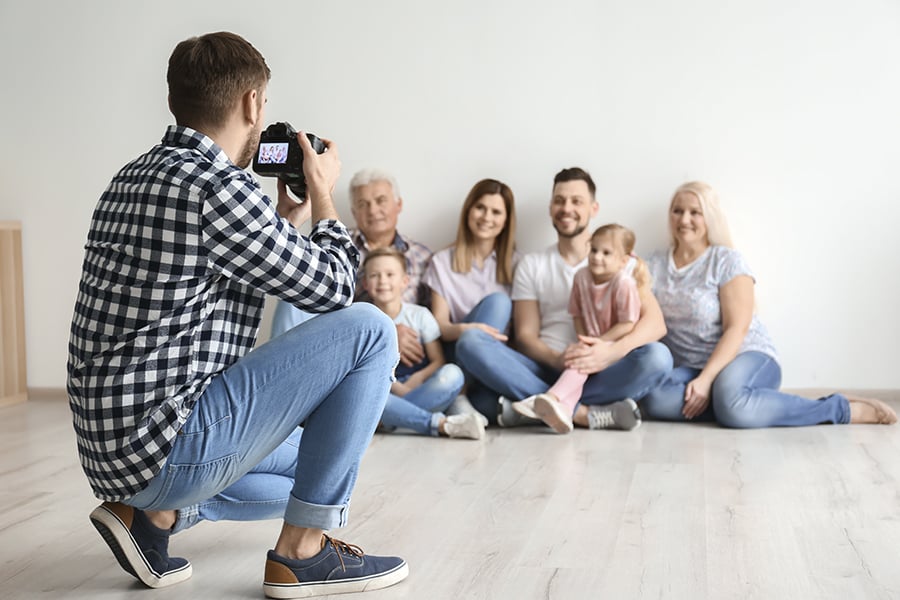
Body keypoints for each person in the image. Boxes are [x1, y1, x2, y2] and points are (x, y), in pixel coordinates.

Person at [66, 32, 408, 598]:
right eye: (264, 104)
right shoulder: (219, 186)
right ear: (252, 102)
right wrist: (324, 193)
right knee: (371, 330)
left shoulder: (130, 176)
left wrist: (285, 220)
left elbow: (210, 275)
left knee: (315, 461)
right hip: (169, 441)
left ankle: (155, 519)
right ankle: (303, 553)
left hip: (110, 454)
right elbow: (335, 289)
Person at [640, 181, 897, 427]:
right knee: (655, 400)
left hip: (746, 356)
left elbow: (737, 329)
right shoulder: (652, 264)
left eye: (695, 212)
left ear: (710, 217)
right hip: (690, 368)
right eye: (678, 211)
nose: (684, 219)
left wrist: (707, 380)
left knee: (730, 401)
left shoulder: (726, 260)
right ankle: (742, 405)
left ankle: (840, 409)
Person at [454, 167, 672, 430]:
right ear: (550, 208)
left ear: (593, 208)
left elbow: (656, 324)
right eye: (559, 200)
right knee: (470, 342)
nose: (566, 208)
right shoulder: (532, 265)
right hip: (545, 367)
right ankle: (582, 413)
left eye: (576, 201)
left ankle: (537, 406)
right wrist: (558, 360)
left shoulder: (620, 259)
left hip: (604, 369)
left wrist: (609, 352)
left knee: (658, 357)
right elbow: (525, 337)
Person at [271, 169, 433, 367]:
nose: (372, 211)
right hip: (342, 346)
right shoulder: (333, 242)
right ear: (354, 212)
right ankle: (278, 372)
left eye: (381, 200)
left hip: (404, 361)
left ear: (398, 205)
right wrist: (385, 333)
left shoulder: (422, 256)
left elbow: (434, 319)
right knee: (296, 288)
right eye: (362, 204)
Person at [515, 224, 648, 433]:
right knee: (581, 358)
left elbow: (627, 324)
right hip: (591, 340)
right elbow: (576, 314)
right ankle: (567, 411)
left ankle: (549, 398)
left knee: (582, 361)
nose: (597, 257)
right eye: (594, 250)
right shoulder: (581, 277)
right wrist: (584, 340)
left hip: (614, 344)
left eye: (606, 253)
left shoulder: (624, 283)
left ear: (623, 261)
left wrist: (601, 343)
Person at [362, 247, 484, 439]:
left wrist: (416, 380)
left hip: (422, 386)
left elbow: (438, 360)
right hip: (386, 391)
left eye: (390, 274)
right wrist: (399, 388)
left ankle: (390, 420)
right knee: (366, 398)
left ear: (405, 281)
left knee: (453, 374)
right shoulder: (364, 320)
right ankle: (435, 422)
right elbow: (367, 370)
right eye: (375, 275)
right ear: (365, 284)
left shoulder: (420, 316)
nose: (383, 281)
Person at [423, 178, 518, 360]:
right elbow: (441, 327)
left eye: (496, 212)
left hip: (498, 358)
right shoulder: (441, 262)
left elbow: (519, 336)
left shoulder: (519, 265)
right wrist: (469, 331)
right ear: (468, 211)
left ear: (506, 221)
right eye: (480, 208)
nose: (486, 218)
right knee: (498, 302)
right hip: (459, 353)